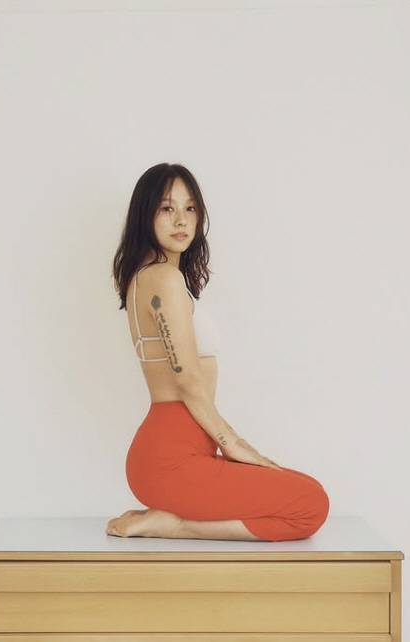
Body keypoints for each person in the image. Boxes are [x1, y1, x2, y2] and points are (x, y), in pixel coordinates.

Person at [107, 162, 330, 541]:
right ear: (146, 215)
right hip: (169, 457)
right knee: (310, 503)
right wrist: (235, 444)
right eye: (167, 208)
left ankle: (171, 518)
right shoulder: (163, 278)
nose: (181, 220)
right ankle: (175, 524)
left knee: (303, 494)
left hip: (181, 450)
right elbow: (188, 381)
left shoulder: (150, 278)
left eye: (190, 208)